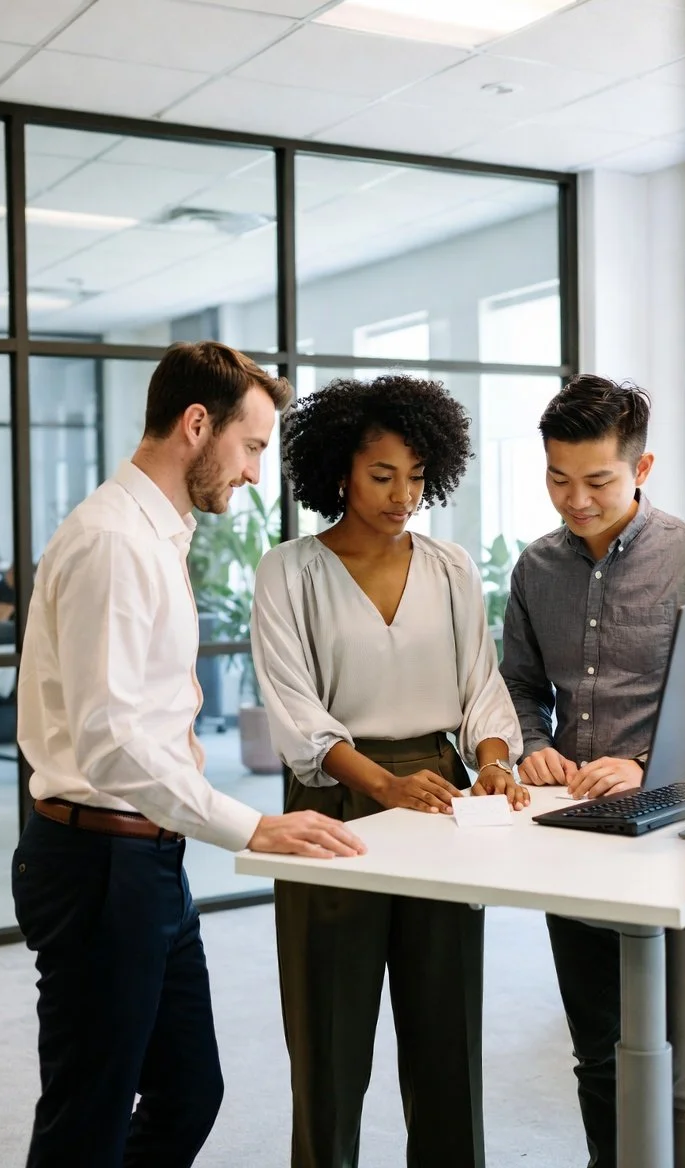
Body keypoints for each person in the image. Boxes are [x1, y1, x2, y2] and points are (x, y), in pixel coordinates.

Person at [12, 341, 365, 1168]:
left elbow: (140, 711)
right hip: (99, 860)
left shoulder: (154, 533)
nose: (252, 475)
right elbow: (110, 742)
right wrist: (251, 828)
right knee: (87, 1116)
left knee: (186, 1092)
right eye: (249, 448)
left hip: (145, 861)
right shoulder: (112, 541)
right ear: (195, 424)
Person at [251, 374, 527, 1168]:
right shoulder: (289, 572)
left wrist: (495, 763)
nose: (403, 495)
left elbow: (482, 686)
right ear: (340, 470)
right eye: (381, 476)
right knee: (330, 1038)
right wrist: (381, 787)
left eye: (415, 476)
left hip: (441, 794)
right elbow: (297, 712)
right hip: (334, 800)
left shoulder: (450, 568)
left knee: (446, 1031)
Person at [500, 375, 685, 1168]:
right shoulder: (536, 568)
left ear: (641, 468)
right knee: (597, 1053)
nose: (574, 500)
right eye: (557, 478)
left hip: (675, 834)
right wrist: (530, 741)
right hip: (571, 835)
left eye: (597, 481)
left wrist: (645, 760)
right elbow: (517, 682)